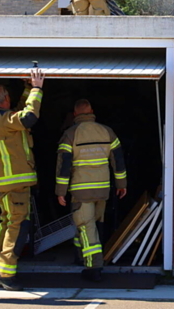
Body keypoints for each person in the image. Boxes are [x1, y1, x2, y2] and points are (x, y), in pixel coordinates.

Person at [0, 68, 44, 291]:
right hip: (16, 184)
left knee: (6, 223)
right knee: (17, 227)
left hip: (7, 183)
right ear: (5, 99)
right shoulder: (6, 119)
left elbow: (18, 112)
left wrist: (28, 88)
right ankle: (5, 274)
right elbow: (29, 117)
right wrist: (37, 89)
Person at [55, 99, 128, 280]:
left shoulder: (70, 135)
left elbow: (64, 166)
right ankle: (81, 257)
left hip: (81, 190)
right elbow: (118, 161)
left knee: (85, 226)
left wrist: (60, 191)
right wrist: (121, 185)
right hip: (102, 189)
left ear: (74, 115)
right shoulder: (107, 132)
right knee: (94, 224)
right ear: (92, 111)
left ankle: (93, 267)